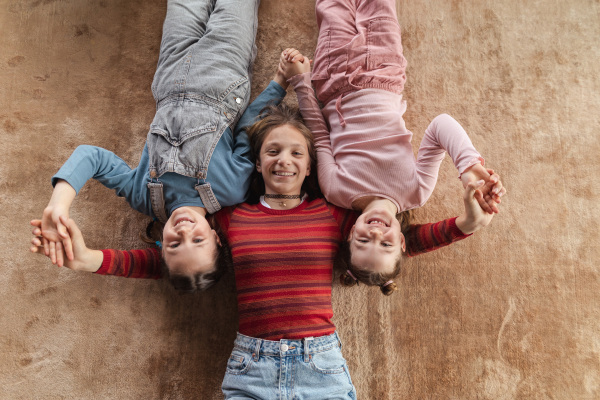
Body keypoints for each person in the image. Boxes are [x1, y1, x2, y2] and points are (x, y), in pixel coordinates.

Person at [32, 104, 497, 397]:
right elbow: (169, 258)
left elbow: (397, 240)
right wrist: (90, 259)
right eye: (273, 154)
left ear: (309, 165)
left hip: (321, 365)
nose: (284, 163)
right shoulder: (230, 218)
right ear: (259, 162)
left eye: (297, 156)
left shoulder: (332, 215)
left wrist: (466, 225)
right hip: (251, 367)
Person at [33, 0, 293, 291]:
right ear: (216, 236)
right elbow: (248, 126)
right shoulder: (230, 188)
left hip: (171, 69)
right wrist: (279, 83)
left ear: (160, 245)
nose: (183, 231)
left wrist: (59, 203)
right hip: (224, 70)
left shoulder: (144, 196)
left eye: (174, 244)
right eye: (197, 240)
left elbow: (91, 156)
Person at [277, 0, 506, 290]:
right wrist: (468, 166)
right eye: (385, 245)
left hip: (332, 76)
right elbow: (440, 125)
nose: (374, 233)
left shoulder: (336, 191)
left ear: (350, 234)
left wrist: (300, 81)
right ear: (401, 241)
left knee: (331, 6)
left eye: (362, 240)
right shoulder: (416, 191)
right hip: (382, 68)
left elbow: (320, 135)